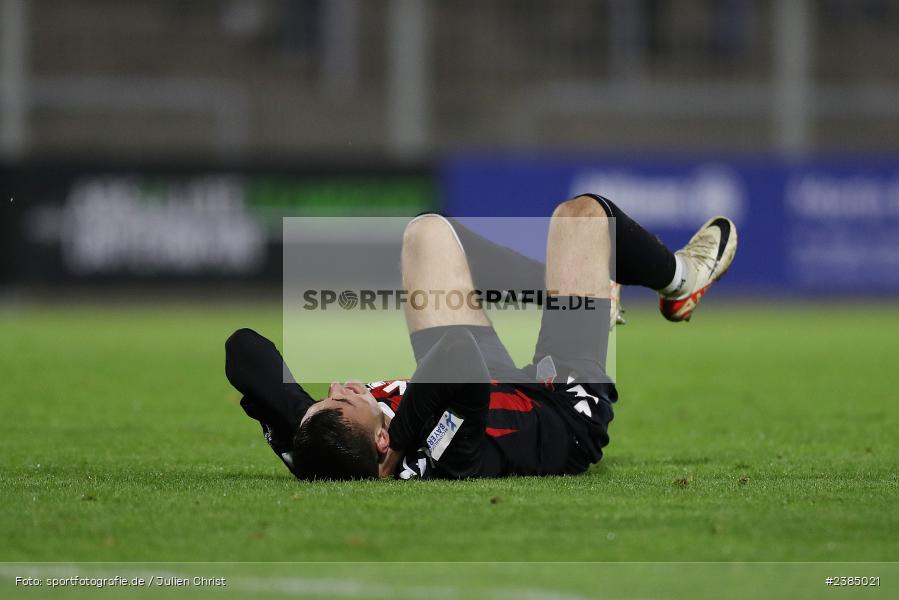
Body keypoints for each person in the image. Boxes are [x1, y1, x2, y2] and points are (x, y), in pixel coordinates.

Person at [224, 194, 737, 480]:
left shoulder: (325, 446)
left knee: (427, 234)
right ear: (382, 439)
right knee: (582, 217)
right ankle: (680, 279)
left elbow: (242, 350)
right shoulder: (442, 456)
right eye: (348, 397)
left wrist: (296, 413)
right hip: (558, 407)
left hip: (477, 381)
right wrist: (403, 443)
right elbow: (459, 356)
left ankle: (578, 290)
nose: (341, 385)